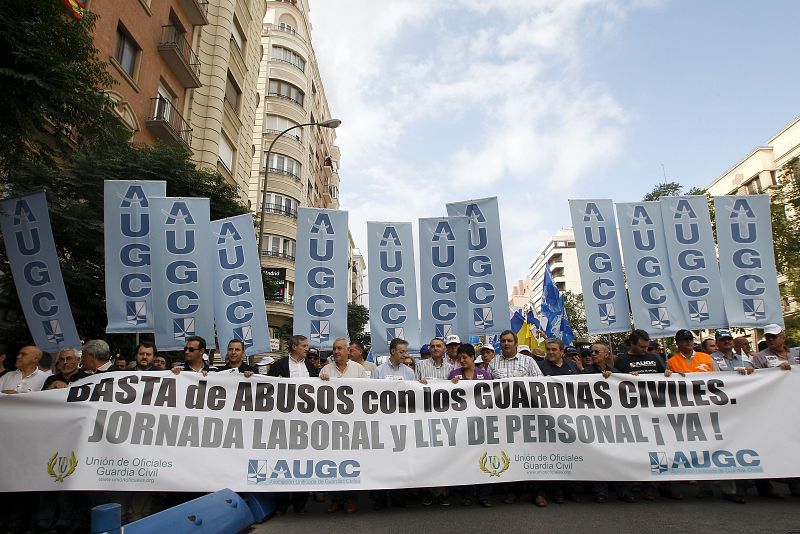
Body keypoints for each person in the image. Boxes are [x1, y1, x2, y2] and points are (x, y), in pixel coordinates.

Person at [448, 344, 492, 508]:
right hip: (462, 426)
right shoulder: (454, 375)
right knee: (465, 459)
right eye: (459, 358)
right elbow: (446, 399)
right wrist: (451, 385)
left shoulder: (484, 375)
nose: (462, 360)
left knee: (483, 457)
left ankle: (484, 495)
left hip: (482, 423)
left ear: (473, 358)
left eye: (465, 357)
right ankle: (467, 494)